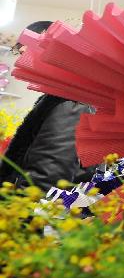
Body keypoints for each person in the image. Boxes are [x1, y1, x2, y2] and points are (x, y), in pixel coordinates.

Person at [0, 21, 95, 191]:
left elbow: (47, 179)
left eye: (27, 54)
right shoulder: (60, 97)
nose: (22, 63)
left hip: (28, 211)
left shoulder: (69, 102)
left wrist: (18, 214)